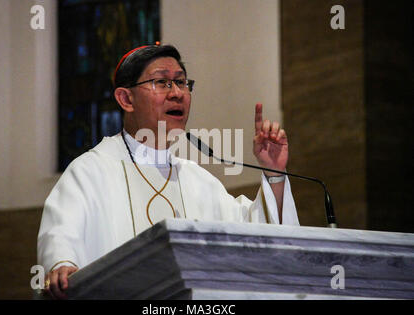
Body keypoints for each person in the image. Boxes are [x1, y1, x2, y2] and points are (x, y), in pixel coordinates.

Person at [38, 44, 299, 299]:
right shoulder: (90, 171)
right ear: (126, 99)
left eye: (182, 82)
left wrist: (274, 172)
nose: (177, 93)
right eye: (162, 82)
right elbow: (61, 233)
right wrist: (61, 263)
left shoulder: (198, 180)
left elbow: (259, 241)